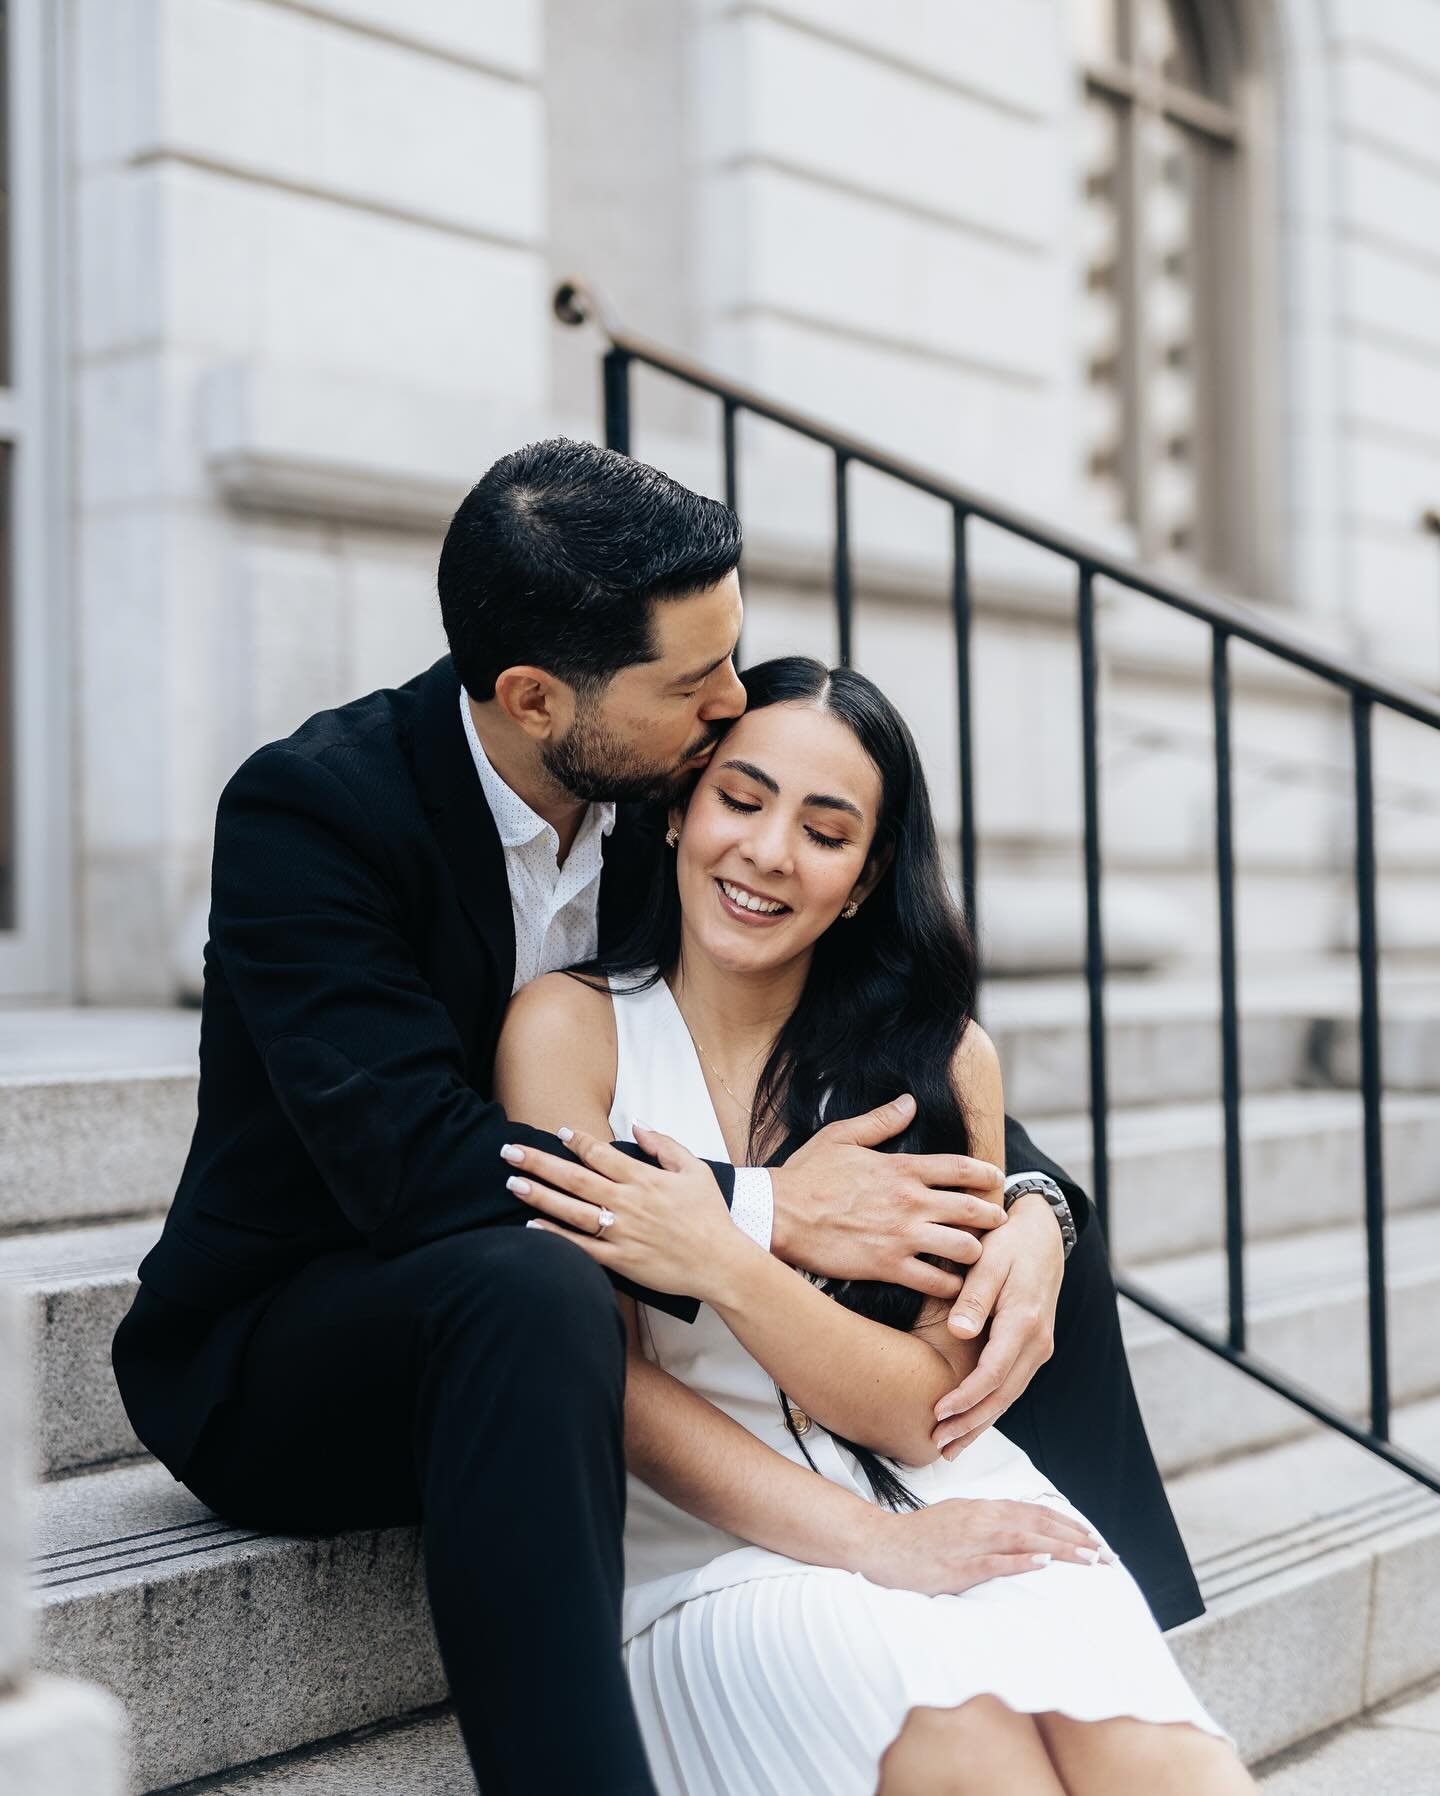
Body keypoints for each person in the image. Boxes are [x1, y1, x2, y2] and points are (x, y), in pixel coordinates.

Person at [111, 439, 1197, 1796]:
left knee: (1014, 1240)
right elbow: (412, 1167)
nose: (731, 703)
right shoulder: (312, 814)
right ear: (532, 697)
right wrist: (758, 1210)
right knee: (533, 1290)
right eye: (694, 683)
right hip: (310, 1341)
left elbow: (866, 1036)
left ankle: (1112, 1617)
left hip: (555, 1330)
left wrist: (1038, 1209)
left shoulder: (660, 792)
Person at [493, 655, 1255, 1796]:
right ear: (678, 812)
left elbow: (917, 1407)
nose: (766, 853)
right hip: (711, 1548)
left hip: (952, 1494)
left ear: (865, 876)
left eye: (826, 829)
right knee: (978, 1762)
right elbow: (603, 1374)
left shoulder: (944, 1063)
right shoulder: (570, 1031)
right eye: (741, 801)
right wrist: (869, 1545)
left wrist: (723, 1259)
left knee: (1165, 1767)